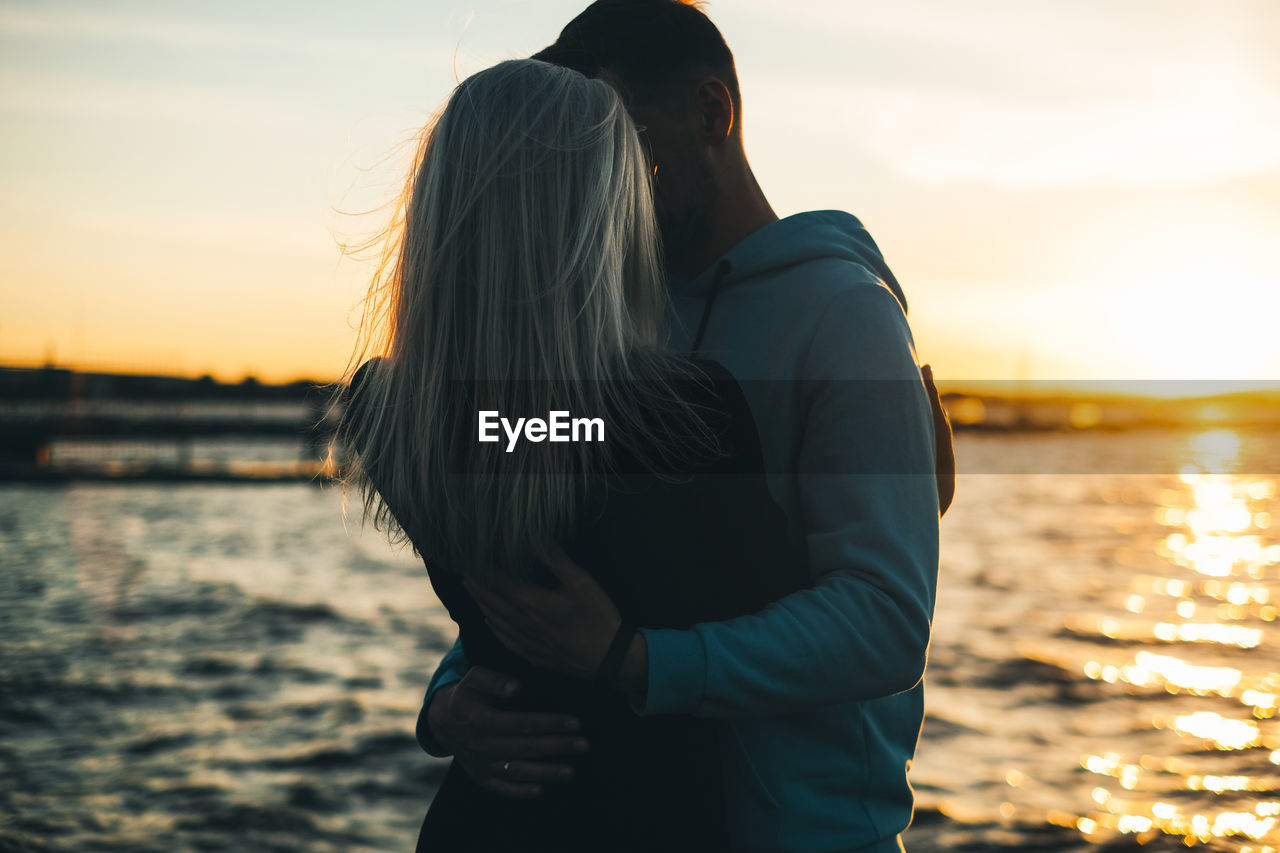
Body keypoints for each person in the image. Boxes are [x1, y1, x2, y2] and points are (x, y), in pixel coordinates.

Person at [418, 3, 953, 852]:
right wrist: (453, 701)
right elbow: (562, 569)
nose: (597, 169)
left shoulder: (845, 317)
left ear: (712, 114)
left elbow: (886, 619)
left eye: (616, 131)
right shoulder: (611, 316)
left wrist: (635, 661)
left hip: (802, 833)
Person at [337, 58, 816, 851]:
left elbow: (531, 443)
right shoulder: (678, 416)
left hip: (481, 817)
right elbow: (791, 615)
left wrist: (444, 703)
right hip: (648, 817)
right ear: (594, 214)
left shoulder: (385, 407)